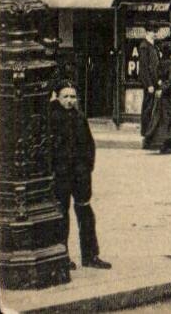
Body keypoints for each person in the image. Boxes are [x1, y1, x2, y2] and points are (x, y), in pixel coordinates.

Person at [49, 83, 111, 271]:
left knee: (85, 213)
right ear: (57, 98)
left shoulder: (80, 118)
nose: (69, 101)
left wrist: (87, 168)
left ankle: (90, 255)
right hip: (61, 175)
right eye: (65, 97)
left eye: (73, 97)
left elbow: (89, 145)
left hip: (80, 175)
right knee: (61, 215)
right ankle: (61, 256)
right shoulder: (52, 119)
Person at [138, 24, 168, 149]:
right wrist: (149, 84)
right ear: (147, 32)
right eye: (153, 31)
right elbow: (144, 68)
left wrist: (159, 80)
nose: (155, 34)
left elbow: (156, 65)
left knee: (154, 107)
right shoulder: (144, 46)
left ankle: (151, 130)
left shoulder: (152, 46)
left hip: (155, 82)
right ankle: (145, 131)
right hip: (150, 84)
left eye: (156, 31)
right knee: (148, 107)